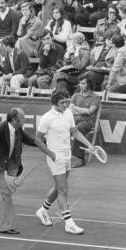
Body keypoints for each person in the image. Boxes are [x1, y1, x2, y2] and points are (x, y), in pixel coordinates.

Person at [34, 90, 94, 235]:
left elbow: (74, 132)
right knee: (63, 189)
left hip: (67, 155)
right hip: (55, 158)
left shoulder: (67, 113)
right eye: (62, 102)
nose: (66, 104)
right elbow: (37, 140)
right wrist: (52, 154)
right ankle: (69, 223)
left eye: (67, 101)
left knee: (58, 187)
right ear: (55, 103)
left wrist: (89, 145)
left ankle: (42, 210)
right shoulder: (46, 118)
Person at [69, 75, 100, 168]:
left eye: (83, 83)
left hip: (87, 123)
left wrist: (76, 108)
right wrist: (83, 110)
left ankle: (79, 159)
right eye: (80, 83)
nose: (80, 85)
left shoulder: (95, 97)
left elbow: (90, 111)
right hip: (74, 120)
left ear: (89, 84)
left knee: (79, 129)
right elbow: (70, 110)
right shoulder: (75, 95)